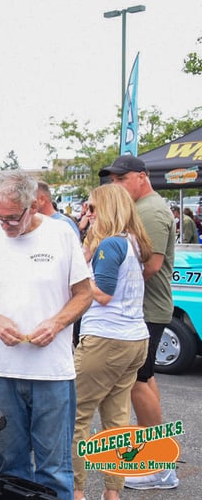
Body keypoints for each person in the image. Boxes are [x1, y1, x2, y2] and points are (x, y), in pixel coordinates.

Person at [0, 171, 92, 500]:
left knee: (55, 469)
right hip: (3, 373)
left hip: (52, 374)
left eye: (10, 218)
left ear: (33, 205)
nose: (2, 224)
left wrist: (56, 323)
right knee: (11, 468)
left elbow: (84, 294)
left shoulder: (61, 234)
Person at [98, 155, 178, 490]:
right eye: (112, 180)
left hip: (146, 310)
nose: (115, 185)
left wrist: (114, 287)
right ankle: (157, 453)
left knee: (137, 382)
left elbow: (152, 265)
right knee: (143, 379)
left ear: (141, 177)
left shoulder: (151, 211)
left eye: (121, 179)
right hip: (143, 310)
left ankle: (160, 467)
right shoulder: (142, 208)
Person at [71, 184, 151, 500]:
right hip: (134, 338)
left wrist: (81, 276)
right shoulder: (132, 242)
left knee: (74, 416)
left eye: (91, 208)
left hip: (106, 338)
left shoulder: (110, 245)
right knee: (116, 422)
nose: (86, 214)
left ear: (106, 209)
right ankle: (112, 492)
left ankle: (76, 492)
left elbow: (101, 294)